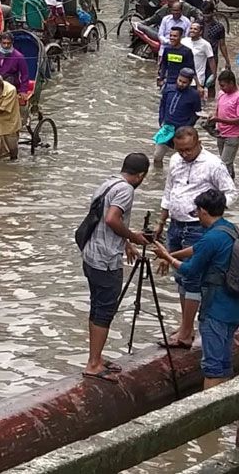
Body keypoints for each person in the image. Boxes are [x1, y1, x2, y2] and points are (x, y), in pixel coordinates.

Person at [155, 127, 237, 349]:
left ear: (198, 142)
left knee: (192, 277)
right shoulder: (174, 161)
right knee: (180, 276)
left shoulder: (213, 164)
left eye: (189, 150)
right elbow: (168, 190)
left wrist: (211, 211)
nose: (185, 154)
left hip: (198, 227)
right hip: (176, 223)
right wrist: (161, 222)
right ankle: (186, 326)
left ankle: (185, 332)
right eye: (181, 150)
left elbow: (230, 192)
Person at [152, 188, 239, 388]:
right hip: (233, 307)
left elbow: (190, 270)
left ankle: (211, 414)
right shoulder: (229, 229)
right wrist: (172, 253)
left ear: (202, 211)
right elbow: (198, 249)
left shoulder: (211, 238)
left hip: (215, 310)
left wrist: (168, 258)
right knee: (224, 363)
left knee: (212, 367)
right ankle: (225, 408)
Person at [80, 153, 151, 383]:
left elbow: (102, 219)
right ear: (141, 175)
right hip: (106, 260)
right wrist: (133, 236)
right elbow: (111, 219)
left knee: (97, 306)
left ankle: (96, 356)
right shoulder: (126, 190)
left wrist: (126, 243)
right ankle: (93, 364)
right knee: (105, 310)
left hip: (91, 253)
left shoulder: (108, 183)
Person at [153, 69, 202, 167]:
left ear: (190, 82)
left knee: (181, 160)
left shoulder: (194, 95)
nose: (181, 84)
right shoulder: (168, 89)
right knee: (157, 156)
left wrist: (187, 127)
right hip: (166, 129)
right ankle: (158, 176)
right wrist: (161, 120)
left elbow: (197, 114)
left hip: (182, 133)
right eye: (179, 80)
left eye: (184, 82)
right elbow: (162, 105)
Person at [210, 69, 239, 178]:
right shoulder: (222, 93)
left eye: (223, 86)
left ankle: (224, 188)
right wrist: (212, 116)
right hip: (221, 133)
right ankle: (232, 183)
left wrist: (219, 120)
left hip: (233, 136)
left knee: (223, 164)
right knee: (227, 163)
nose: (221, 88)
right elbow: (218, 109)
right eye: (220, 86)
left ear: (231, 83)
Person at [183, 22, 215, 98]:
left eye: (195, 29)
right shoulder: (184, 41)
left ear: (200, 32)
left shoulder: (205, 44)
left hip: (198, 78)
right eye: (191, 28)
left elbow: (211, 59)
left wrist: (214, 75)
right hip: (183, 77)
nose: (192, 30)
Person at [199, 2, 230, 71]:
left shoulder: (219, 27)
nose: (205, 16)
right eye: (203, 13)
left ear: (212, 13)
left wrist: (227, 61)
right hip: (198, 57)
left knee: (211, 79)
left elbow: (222, 45)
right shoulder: (197, 24)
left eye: (207, 13)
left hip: (212, 58)